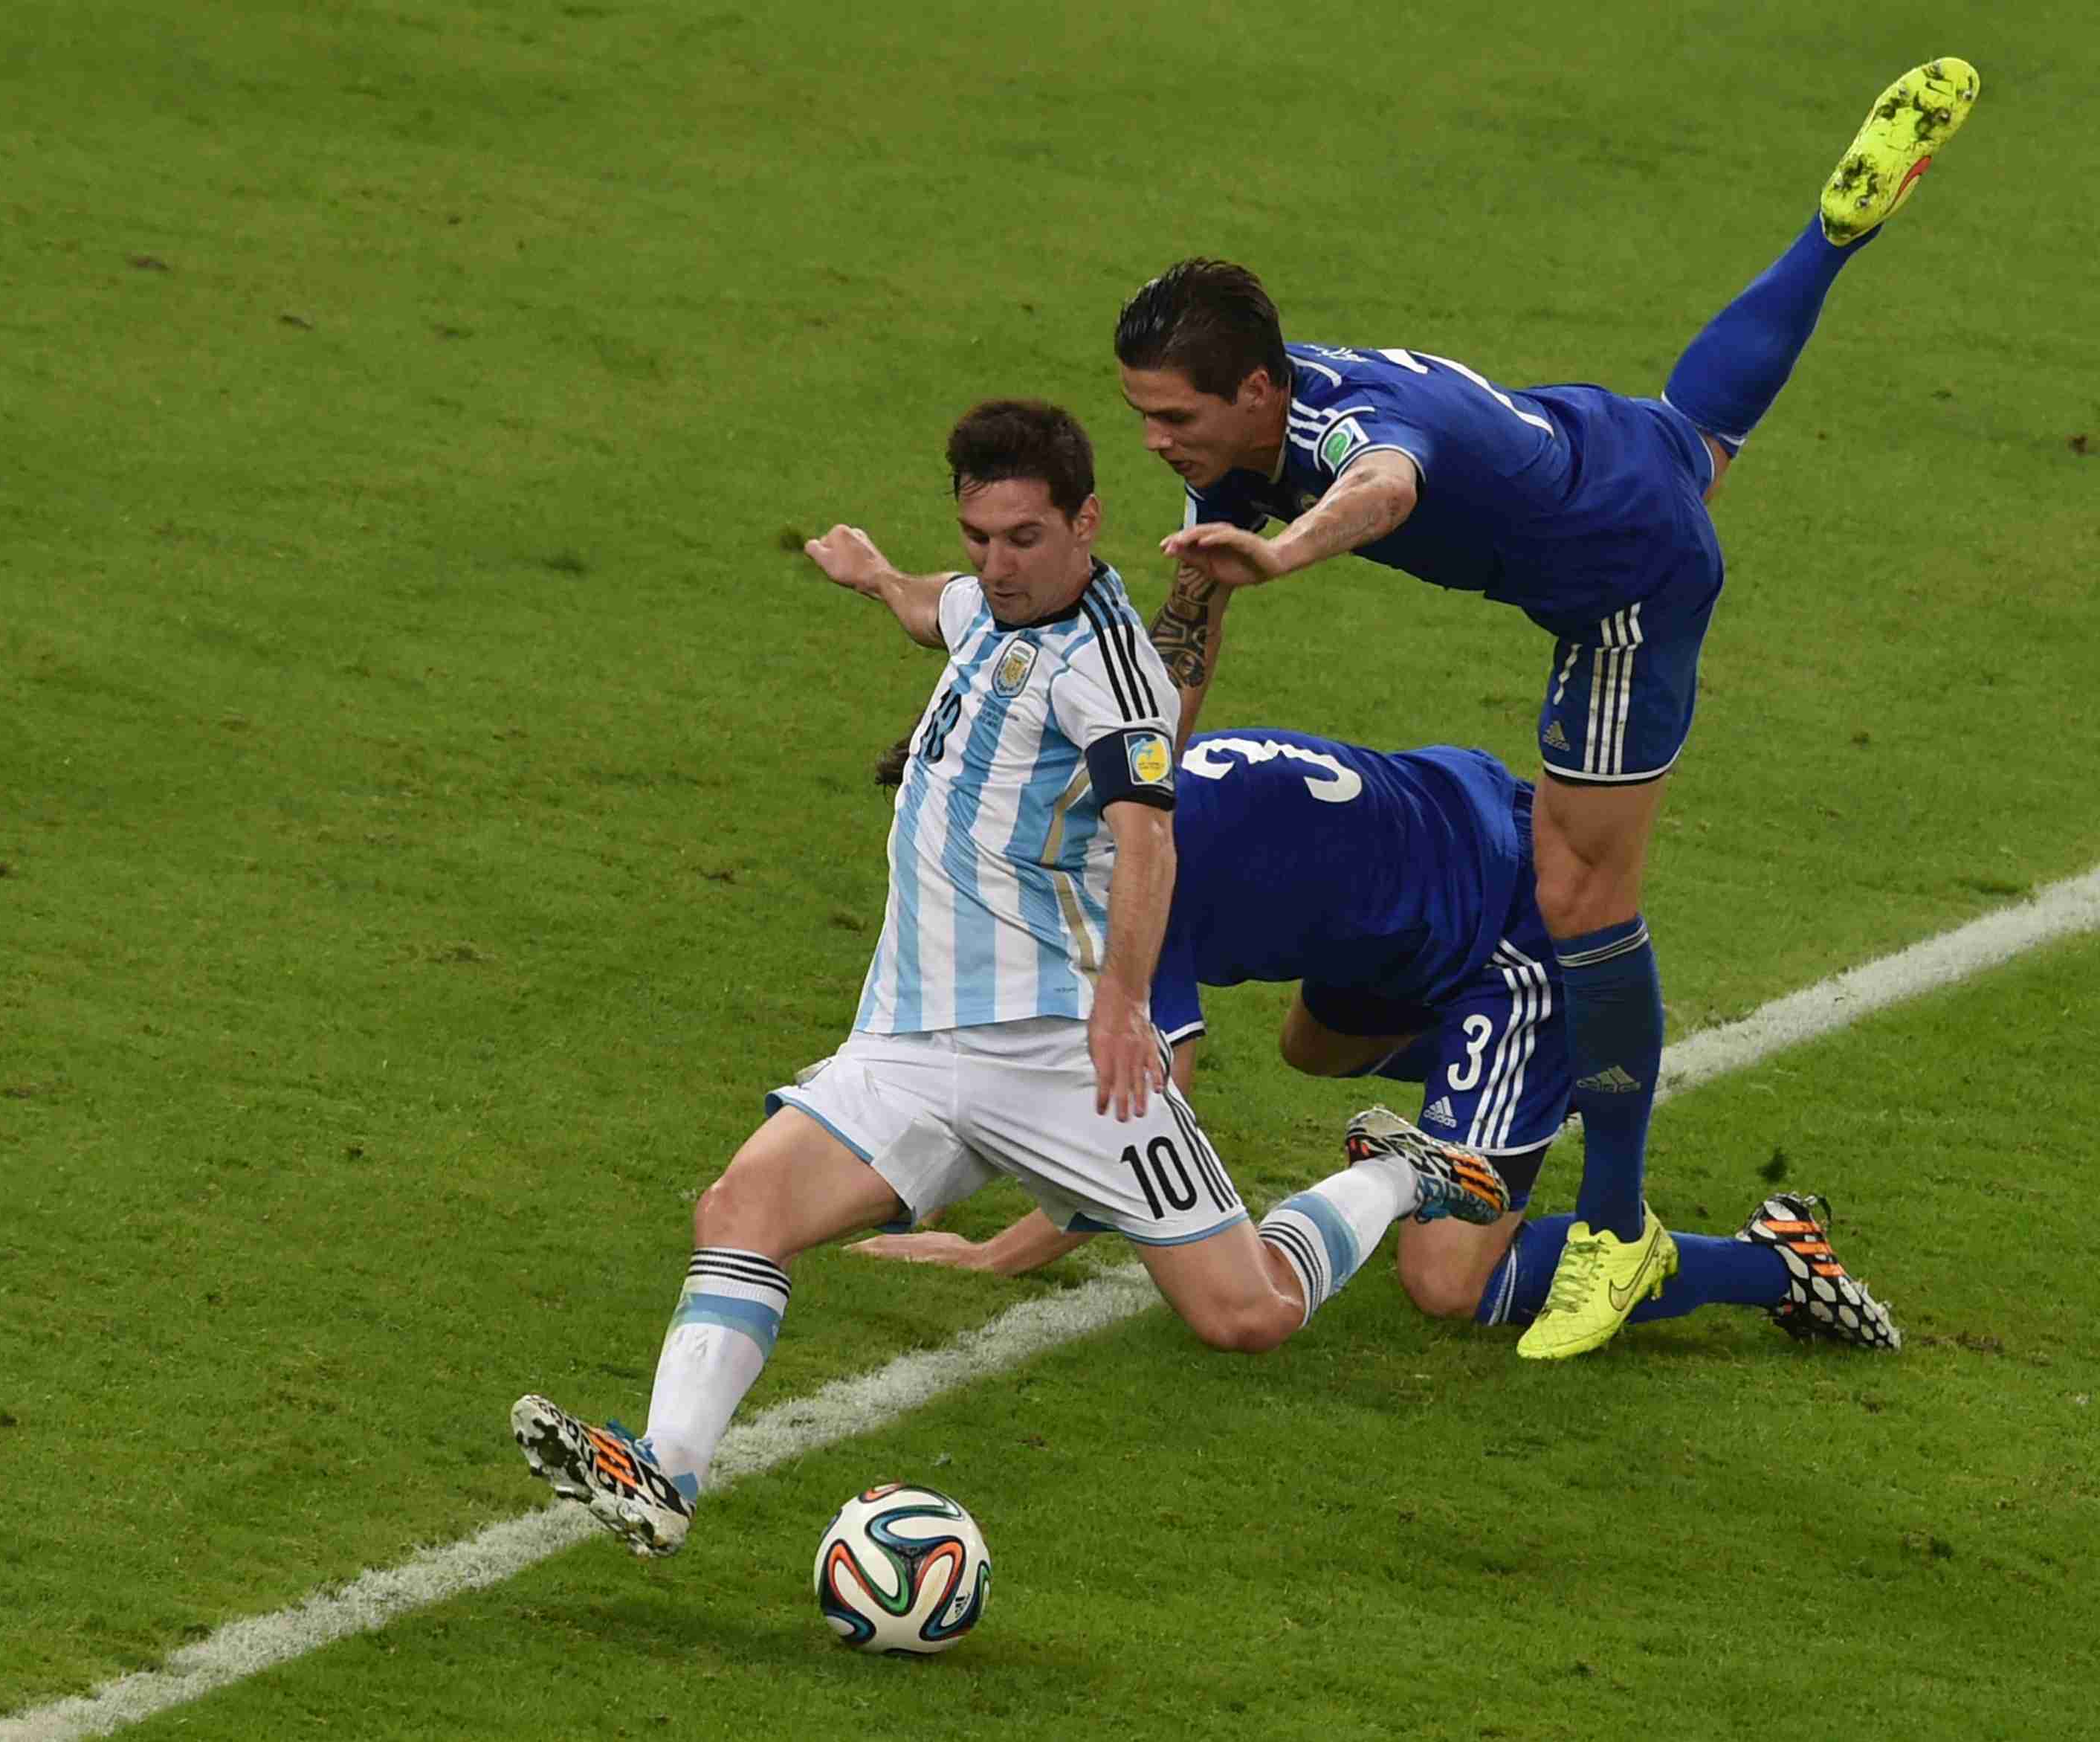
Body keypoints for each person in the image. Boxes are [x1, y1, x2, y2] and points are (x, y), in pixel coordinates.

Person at [508, 402, 1507, 1559]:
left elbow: (1149, 840)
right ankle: (664, 1475)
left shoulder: (1113, 678)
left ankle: (1394, 1172)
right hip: (909, 1040)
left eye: (1024, 538)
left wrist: (1125, 1003)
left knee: (1249, 1315)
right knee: (741, 1210)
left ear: (1086, 523)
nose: (998, 563)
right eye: (979, 536)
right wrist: (875, 575)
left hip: (1059, 1052)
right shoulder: (989, 600)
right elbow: (939, 606)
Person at [1112, 59, 1976, 1359]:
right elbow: (1189, 631)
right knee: (1700, 432)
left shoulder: (1350, 430)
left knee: (1583, 899)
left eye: (1173, 416)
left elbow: (1389, 485)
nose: (1155, 441)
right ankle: (1833, 233)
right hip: (1602, 443)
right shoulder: (1237, 446)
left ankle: (1619, 1226)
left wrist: (1287, 554)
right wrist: (1138, 780)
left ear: (1260, 390)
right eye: (1141, 416)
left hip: (1626, 588)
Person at [855, 726, 1902, 1355]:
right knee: (1315, 1048)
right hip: (1426, 868)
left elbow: (1143, 1116)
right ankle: (1522, 1097)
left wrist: (1000, 1254)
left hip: (1507, 926)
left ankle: (1775, 1264)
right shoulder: (1113, 774)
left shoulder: (1131, 876)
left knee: (1449, 1284)